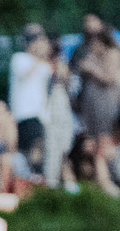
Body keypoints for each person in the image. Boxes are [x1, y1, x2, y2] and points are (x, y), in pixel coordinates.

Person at [71, 16, 120, 148]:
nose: (92, 39)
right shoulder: (82, 50)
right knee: (91, 140)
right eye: (89, 34)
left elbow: (110, 78)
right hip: (89, 103)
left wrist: (91, 69)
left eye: (95, 35)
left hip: (106, 102)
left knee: (106, 139)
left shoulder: (114, 51)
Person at [9, 24, 52, 173]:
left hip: (41, 115)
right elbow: (27, 74)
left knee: (40, 151)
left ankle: (37, 178)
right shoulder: (19, 59)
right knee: (31, 151)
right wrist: (39, 55)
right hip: (25, 114)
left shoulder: (45, 65)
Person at [44, 55, 75, 188]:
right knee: (52, 155)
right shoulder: (49, 87)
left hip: (64, 122)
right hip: (52, 123)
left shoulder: (66, 91)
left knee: (63, 153)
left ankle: (66, 183)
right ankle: (52, 185)